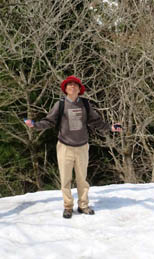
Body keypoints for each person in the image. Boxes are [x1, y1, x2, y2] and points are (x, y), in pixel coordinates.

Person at [24, 75, 122, 219]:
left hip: (82, 147)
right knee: (66, 179)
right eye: (69, 85)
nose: (72, 86)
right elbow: (49, 121)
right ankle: (68, 207)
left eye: (75, 85)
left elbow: (96, 122)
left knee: (82, 179)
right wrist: (35, 125)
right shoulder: (61, 104)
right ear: (65, 89)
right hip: (65, 147)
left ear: (79, 89)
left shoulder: (86, 105)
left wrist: (111, 127)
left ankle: (83, 205)